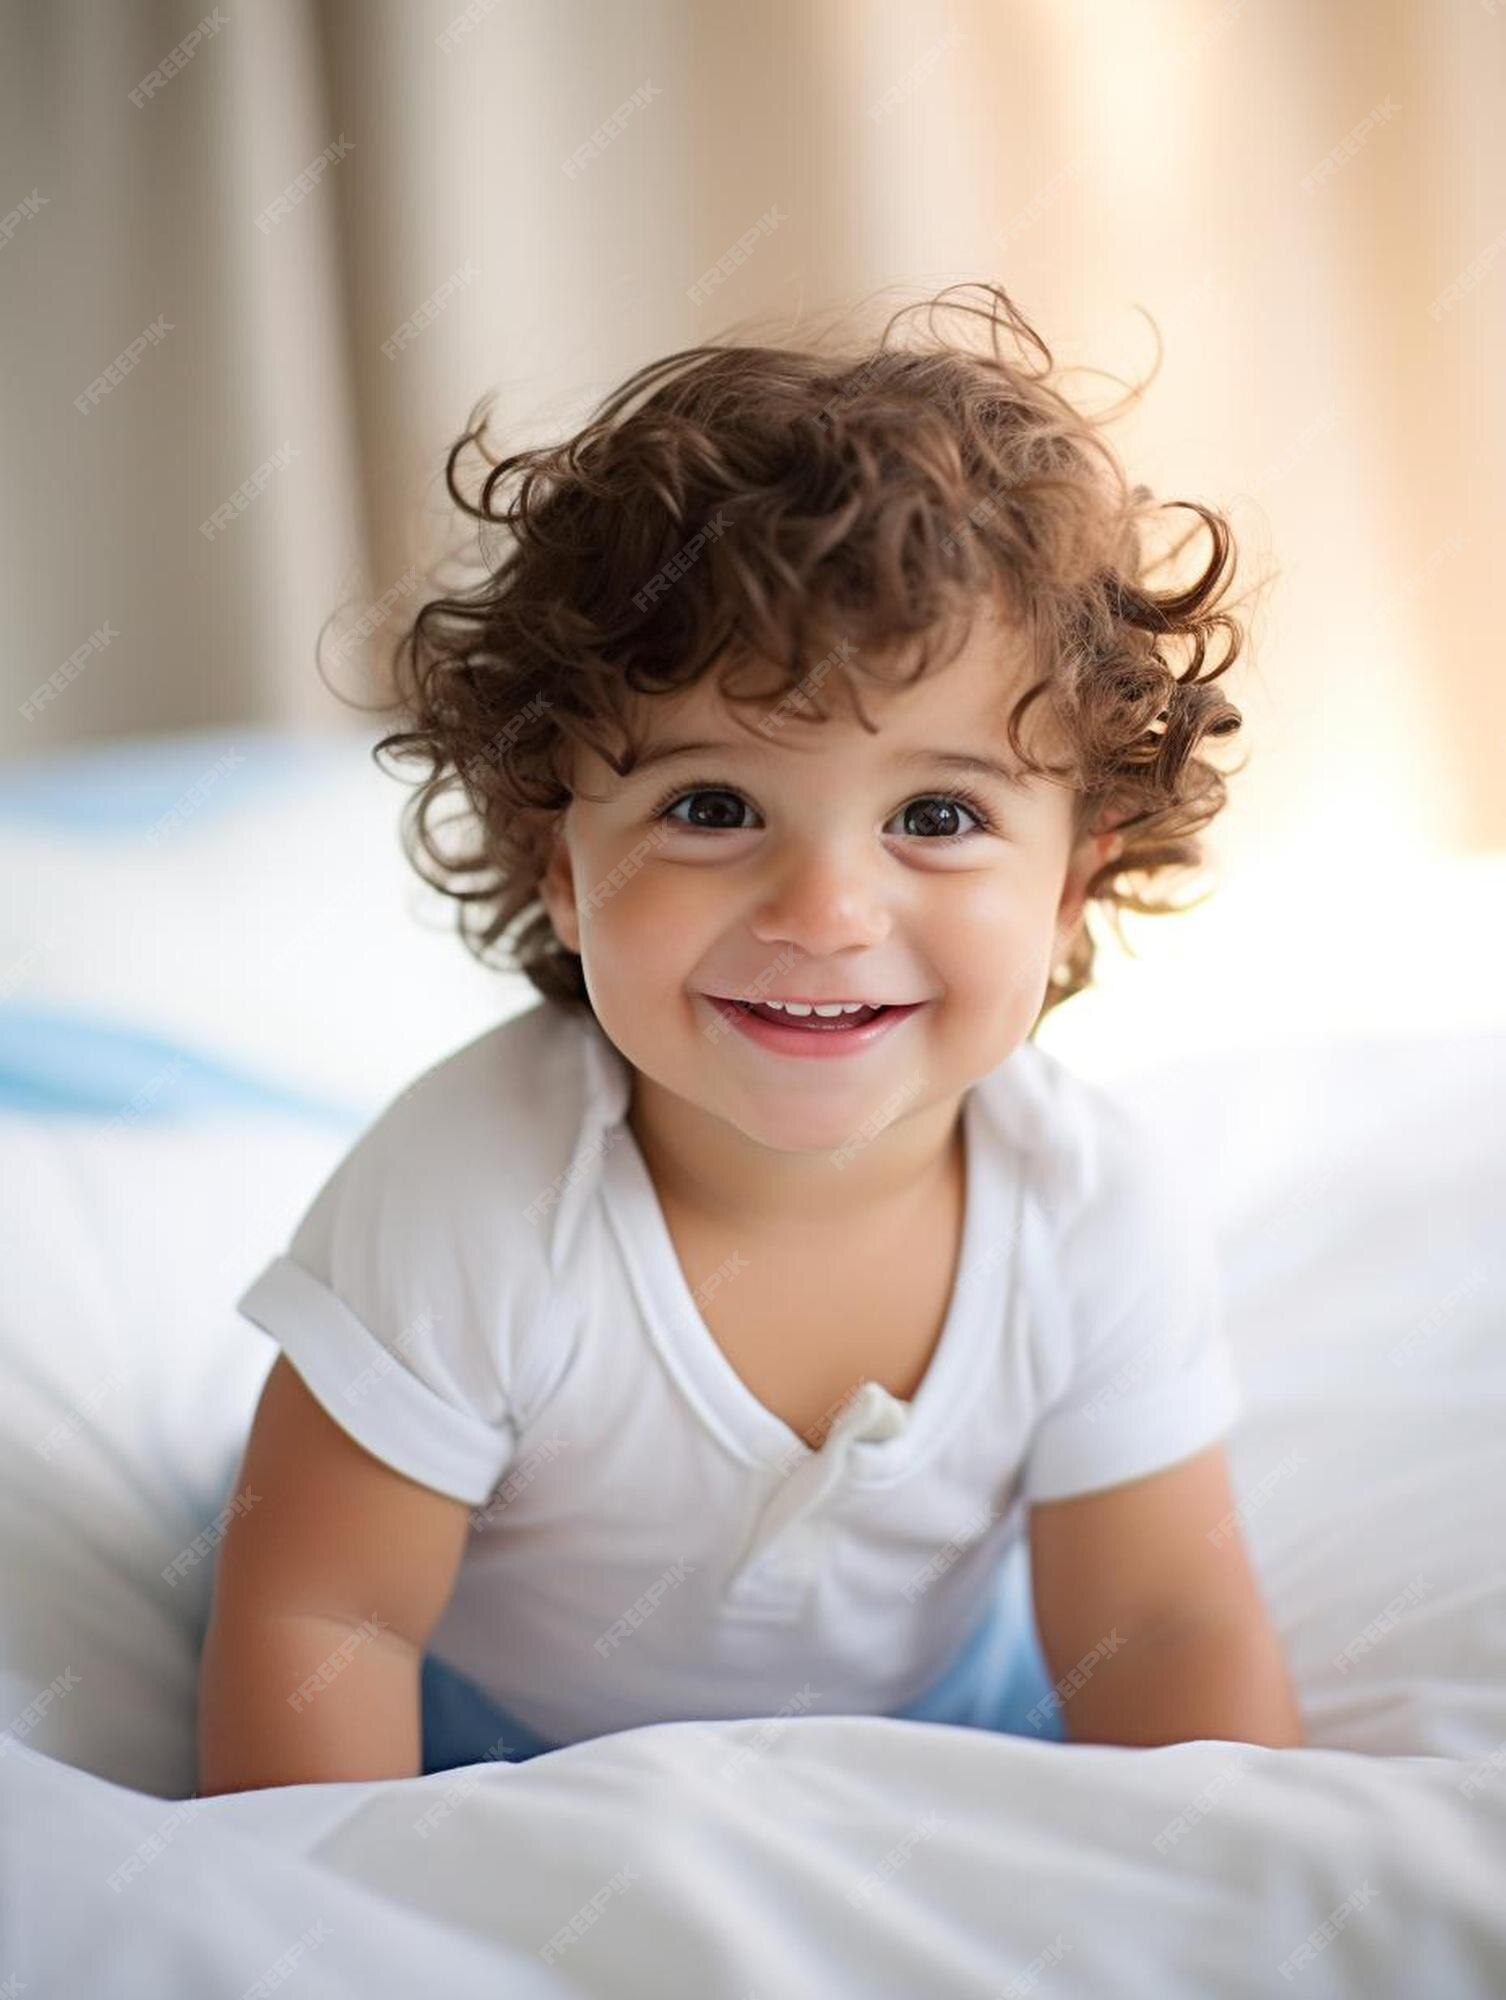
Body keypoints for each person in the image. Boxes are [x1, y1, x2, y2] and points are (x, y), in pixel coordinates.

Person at [196, 281, 1303, 1794]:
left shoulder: (1088, 1209)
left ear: (1072, 881)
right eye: (711, 808)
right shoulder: (472, 1196)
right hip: (488, 1758)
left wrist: (1259, 1892)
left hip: (932, 1740)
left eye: (937, 815)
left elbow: (1165, 1633)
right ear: (552, 862)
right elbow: (327, 1612)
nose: (826, 908)